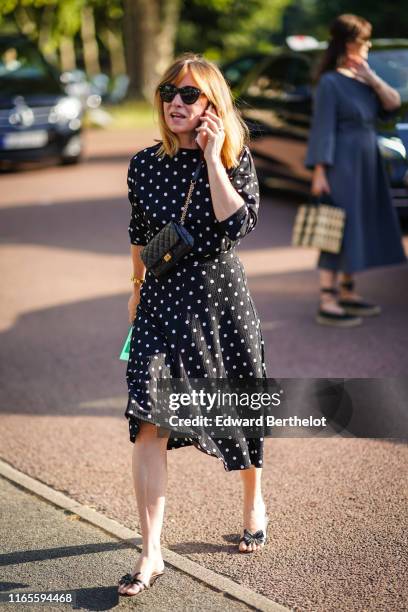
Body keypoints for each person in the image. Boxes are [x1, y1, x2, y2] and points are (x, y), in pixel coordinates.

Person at [118, 52, 269, 598]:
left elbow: (238, 222)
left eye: (189, 95)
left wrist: (211, 156)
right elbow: (139, 235)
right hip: (159, 305)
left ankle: (253, 498)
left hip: (219, 303)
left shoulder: (235, 157)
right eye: (168, 93)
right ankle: (151, 551)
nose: (176, 103)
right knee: (147, 421)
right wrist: (133, 291)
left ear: (212, 105)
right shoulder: (143, 163)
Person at [305, 13, 407, 327]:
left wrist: (372, 78)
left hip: (366, 162)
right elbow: (323, 129)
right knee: (336, 227)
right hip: (342, 164)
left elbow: (392, 104)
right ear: (349, 44)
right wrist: (320, 171)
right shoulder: (330, 82)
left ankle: (347, 293)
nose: (368, 46)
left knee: (357, 226)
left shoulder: (363, 79)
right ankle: (327, 299)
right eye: (364, 41)